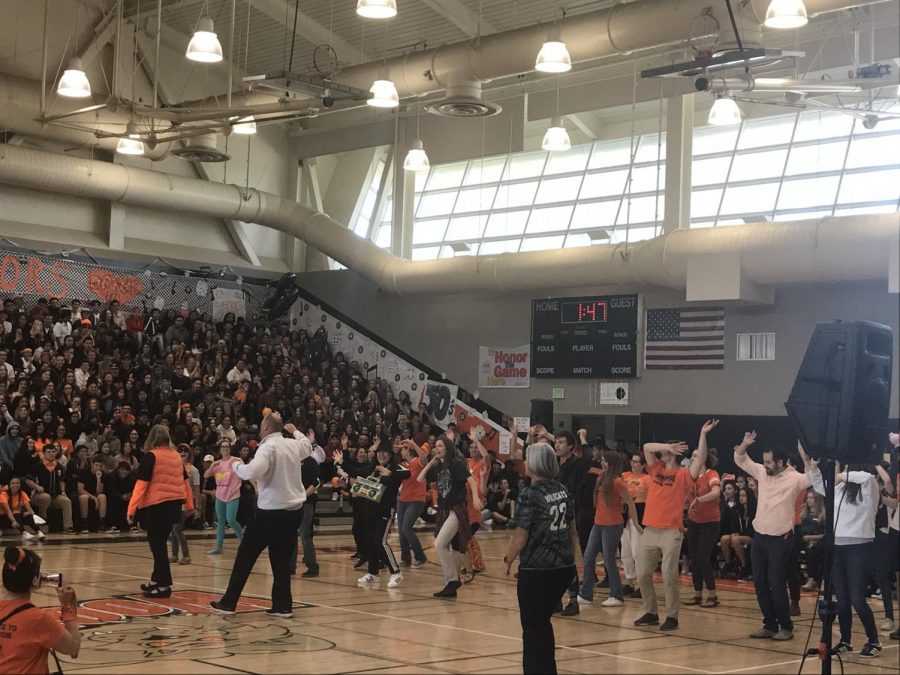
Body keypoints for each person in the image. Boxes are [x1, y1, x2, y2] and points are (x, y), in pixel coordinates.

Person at [210, 414, 325, 618]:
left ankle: (229, 602)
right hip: (294, 511)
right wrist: (295, 430)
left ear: (265, 427)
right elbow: (307, 446)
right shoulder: (291, 444)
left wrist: (236, 466)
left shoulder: (268, 447)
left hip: (271, 512)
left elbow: (251, 472)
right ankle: (282, 606)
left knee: (245, 556)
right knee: (281, 559)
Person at [633, 420, 716, 632]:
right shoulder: (655, 469)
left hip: (671, 530)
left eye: (668, 451)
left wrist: (703, 434)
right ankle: (651, 612)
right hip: (650, 528)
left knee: (669, 574)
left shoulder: (684, 475)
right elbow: (647, 448)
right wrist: (665, 446)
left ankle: (672, 616)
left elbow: (701, 461)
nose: (662, 454)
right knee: (642, 573)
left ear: (676, 455)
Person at [504, 443, 578, 675]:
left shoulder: (530, 494)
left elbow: (521, 535)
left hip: (538, 569)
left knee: (533, 628)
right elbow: (573, 531)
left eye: (527, 459)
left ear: (534, 463)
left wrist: (508, 559)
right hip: (563, 567)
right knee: (542, 623)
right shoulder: (563, 490)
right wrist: (573, 561)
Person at [737, 432, 814, 641]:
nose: (765, 465)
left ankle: (786, 627)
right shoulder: (762, 472)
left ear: (780, 462)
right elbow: (740, 458)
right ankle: (769, 624)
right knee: (760, 583)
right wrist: (744, 444)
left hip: (781, 538)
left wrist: (806, 458)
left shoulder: (795, 479)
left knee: (777, 582)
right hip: (760, 537)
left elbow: (813, 478)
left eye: (769, 462)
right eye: (764, 461)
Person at [806, 454, 882, 658]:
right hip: (838, 546)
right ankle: (845, 640)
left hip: (859, 547)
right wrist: (813, 467)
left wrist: (841, 475)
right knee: (842, 598)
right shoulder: (839, 489)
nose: (843, 472)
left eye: (848, 468)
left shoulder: (869, 486)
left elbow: (866, 478)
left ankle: (873, 639)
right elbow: (821, 488)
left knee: (857, 597)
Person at [127, 425, 195, 598]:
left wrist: (132, 509)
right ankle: (156, 580)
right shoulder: (176, 456)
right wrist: (189, 505)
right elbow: (185, 483)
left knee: (157, 547)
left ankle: (164, 586)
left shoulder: (151, 456)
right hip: (173, 506)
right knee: (160, 544)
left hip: (156, 506)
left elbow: (141, 484)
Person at [418, 434, 481, 598]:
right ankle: (449, 584)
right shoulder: (439, 466)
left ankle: (453, 580)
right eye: (435, 446)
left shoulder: (456, 463)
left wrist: (474, 497)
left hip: (456, 510)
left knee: (439, 544)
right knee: (445, 546)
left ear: (448, 448)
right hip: (444, 511)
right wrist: (432, 462)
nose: (436, 449)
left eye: (440, 446)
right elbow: (420, 478)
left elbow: (472, 481)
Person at [0, 546, 81, 674]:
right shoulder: (37, 619)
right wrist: (68, 606)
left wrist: (30, 580)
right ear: (36, 579)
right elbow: (73, 648)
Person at [578, 449, 640, 607]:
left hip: (612, 525)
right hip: (598, 523)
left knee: (609, 560)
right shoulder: (601, 477)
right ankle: (586, 594)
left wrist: (635, 523)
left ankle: (617, 595)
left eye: (605, 460)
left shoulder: (617, 482)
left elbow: (630, 502)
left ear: (612, 463)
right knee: (588, 556)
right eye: (602, 460)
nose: (602, 462)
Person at [353, 441, 410, 588]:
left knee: (380, 541)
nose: (381, 455)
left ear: (391, 455)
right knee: (370, 540)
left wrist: (390, 474)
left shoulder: (395, 468)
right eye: (379, 452)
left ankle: (396, 572)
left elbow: (407, 473)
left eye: (385, 452)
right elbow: (358, 473)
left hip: (385, 510)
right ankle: (372, 572)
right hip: (370, 509)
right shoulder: (373, 468)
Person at [686, 447, 722, 607]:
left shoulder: (711, 474)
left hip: (710, 523)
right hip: (694, 522)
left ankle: (712, 594)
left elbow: (716, 492)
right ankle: (697, 592)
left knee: (702, 556)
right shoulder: (689, 476)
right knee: (694, 557)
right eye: (692, 456)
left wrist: (700, 500)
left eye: (696, 455)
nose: (693, 458)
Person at [205, 442, 245, 556]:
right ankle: (218, 546)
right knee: (221, 521)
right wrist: (212, 466)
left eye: (227, 447)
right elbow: (206, 475)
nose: (225, 449)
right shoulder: (217, 464)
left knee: (231, 519)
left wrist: (255, 486)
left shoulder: (236, 461)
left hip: (233, 494)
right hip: (220, 495)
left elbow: (245, 473)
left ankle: (244, 542)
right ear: (220, 449)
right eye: (223, 447)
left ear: (230, 448)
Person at [396, 439, 429, 567]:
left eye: (402, 449)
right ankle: (405, 558)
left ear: (408, 450)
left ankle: (420, 556)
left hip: (416, 499)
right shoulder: (403, 465)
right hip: (403, 499)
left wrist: (413, 443)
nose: (400, 452)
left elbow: (424, 458)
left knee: (406, 528)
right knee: (401, 530)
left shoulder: (418, 462)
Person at [621, 453, 650, 596]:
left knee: (637, 552)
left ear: (644, 465)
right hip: (624, 514)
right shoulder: (624, 475)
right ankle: (629, 582)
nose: (633, 464)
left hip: (639, 514)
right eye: (632, 461)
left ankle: (642, 584)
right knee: (625, 552)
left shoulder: (648, 479)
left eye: (637, 462)